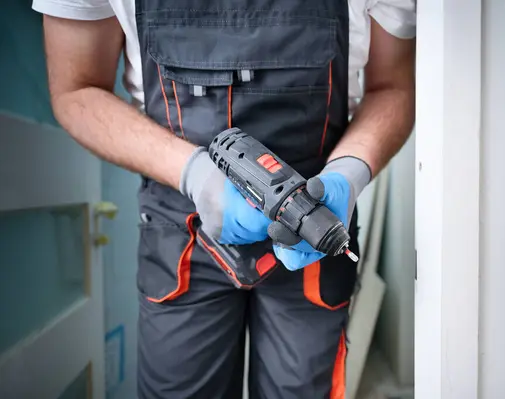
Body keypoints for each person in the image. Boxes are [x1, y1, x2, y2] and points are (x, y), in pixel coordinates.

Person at [32, 0, 416, 397]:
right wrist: (195, 173)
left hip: (313, 222)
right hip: (182, 227)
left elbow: (393, 86)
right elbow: (75, 89)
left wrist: (349, 173)